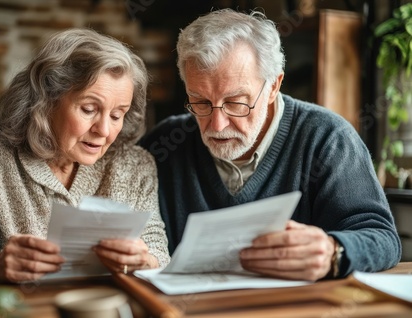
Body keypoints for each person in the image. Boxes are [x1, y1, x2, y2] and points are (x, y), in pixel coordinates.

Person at [140, 8, 401, 281]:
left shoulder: (327, 138)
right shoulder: (165, 145)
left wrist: (333, 251)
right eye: (201, 102)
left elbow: (382, 238)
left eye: (236, 103)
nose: (217, 124)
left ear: (274, 86)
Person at [0, 28, 170, 283]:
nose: (104, 131)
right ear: (46, 101)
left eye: (117, 115)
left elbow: (158, 252)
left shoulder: (135, 165)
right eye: (89, 109)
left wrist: (146, 260)